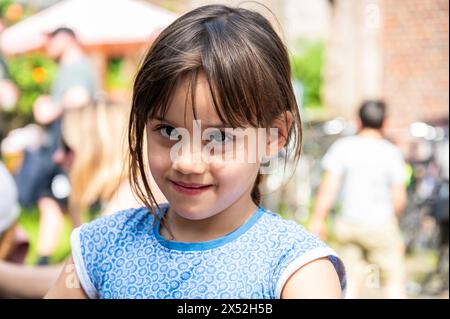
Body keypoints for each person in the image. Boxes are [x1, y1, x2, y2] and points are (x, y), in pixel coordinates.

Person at [46, 5, 346, 299]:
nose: (187, 161)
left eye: (218, 137)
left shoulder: (297, 270)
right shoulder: (100, 248)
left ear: (274, 136)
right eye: (167, 131)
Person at [0, 101, 165, 298]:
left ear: (98, 149)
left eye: (67, 148)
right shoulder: (128, 193)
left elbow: (74, 279)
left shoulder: (134, 198)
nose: (58, 157)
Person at [14, 27, 97, 265]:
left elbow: (79, 97)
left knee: (72, 203)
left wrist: (52, 107)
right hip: (61, 149)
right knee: (50, 202)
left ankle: (89, 258)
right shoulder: (68, 68)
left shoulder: (78, 67)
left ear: (66, 38)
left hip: (70, 150)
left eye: (51, 39)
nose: (47, 45)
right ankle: (44, 259)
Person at [309, 100, 408, 298]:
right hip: (381, 225)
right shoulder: (391, 152)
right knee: (392, 280)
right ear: (385, 123)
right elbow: (399, 197)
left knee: (350, 280)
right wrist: (395, 222)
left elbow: (329, 188)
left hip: (349, 224)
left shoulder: (343, 147)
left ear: (358, 121)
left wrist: (318, 219)